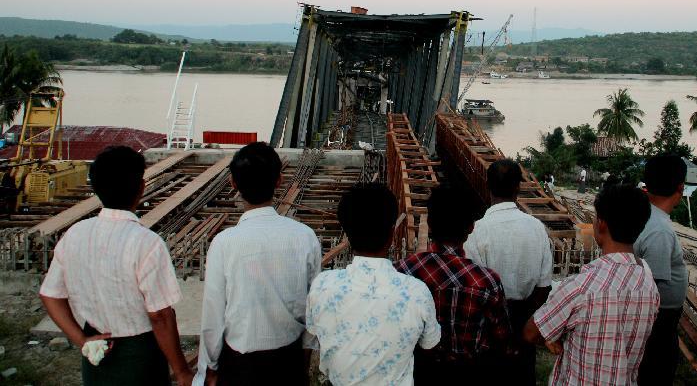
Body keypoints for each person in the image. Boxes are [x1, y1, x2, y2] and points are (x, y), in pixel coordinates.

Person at [39, 146, 192, 386]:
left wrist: (82, 340)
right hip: (138, 355)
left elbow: (50, 295)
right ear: (141, 188)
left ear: (95, 187)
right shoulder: (146, 242)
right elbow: (160, 316)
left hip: (96, 352)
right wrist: (181, 371)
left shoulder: (76, 234)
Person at [196, 142, 322, 385]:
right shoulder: (305, 236)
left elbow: (213, 316)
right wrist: (304, 359)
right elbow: (312, 309)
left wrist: (208, 368)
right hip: (288, 361)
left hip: (240, 366)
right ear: (279, 181)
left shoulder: (223, 243)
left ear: (233, 184)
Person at [524, 185, 659, 385]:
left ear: (601, 224)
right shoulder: (648, 282)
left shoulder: (581, 287)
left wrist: (554, 336)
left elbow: (530, 332)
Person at [306, 183, 441, 385]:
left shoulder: (322, 286)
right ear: (392, 233)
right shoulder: (416, 292)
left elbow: (314, 334)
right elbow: (430, 346)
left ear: (347, 232)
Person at [395, 186, 511, 384]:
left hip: (417, 372)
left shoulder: (402, 272)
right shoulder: (486, 281)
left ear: (429, 224)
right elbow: (502, 338)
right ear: (471, 227)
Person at [464, 159, 553, 384]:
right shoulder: (537, 228)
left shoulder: (476, 232)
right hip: (525, 319)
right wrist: (525, 324)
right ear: (518, 187)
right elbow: (544, 287)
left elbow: (472, 288)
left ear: (488, 185)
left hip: (487, 325)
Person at [633, 155, 688, 386]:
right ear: (680, 187)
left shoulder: (646, 215)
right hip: (658, 323)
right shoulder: (660, 231)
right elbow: (652, 287)